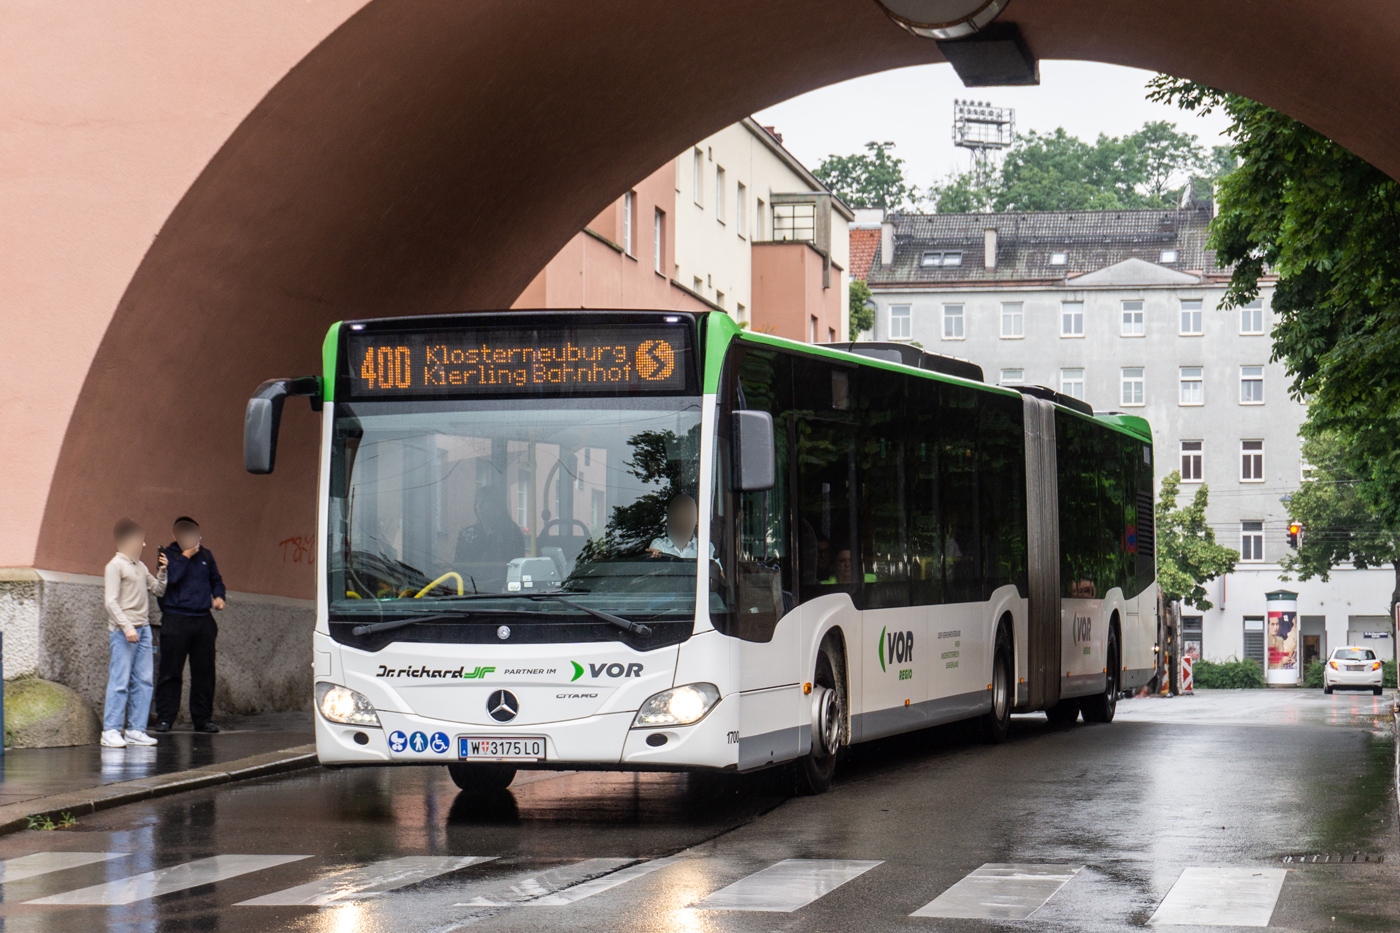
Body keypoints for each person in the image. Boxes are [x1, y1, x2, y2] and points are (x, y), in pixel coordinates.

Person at [153, 517, 226, 733]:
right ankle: (166, 718)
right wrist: (185, 556)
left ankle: (202, 719)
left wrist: (219, 596)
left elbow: (217, 580)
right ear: (176, 536)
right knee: (171, 672)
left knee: (204, 672)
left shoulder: (206, 555)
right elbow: (170, 579)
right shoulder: (168, 555)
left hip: (202, 619)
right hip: (176, 619)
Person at [101, 519, 167, 748]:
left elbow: (158, 589)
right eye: (140, 540)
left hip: (144, 628)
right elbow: (110, 601)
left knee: (145, 680)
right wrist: (126, 626)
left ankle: (136, 730)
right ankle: (110, 729)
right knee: (120, 680)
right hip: (124, 631)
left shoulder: (140, 566)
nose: (144, 544)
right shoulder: (115, 566)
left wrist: (162, 571)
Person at [456, 486, 526, 591]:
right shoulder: (467, 534)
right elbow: (458, 567)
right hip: (469, 592)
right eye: (477, 502)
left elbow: (515, 568)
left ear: (496, 505)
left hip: (503, 593)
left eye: (484, 502)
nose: (479, 506)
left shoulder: (511, 531)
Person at [647, 494, 715, 559]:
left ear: (697, 520)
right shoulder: (659, 544)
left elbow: (717, 570)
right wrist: (656, 558)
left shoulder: (706, 547)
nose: (682, 519)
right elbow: (655, 569)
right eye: (679, 514)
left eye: (688, 515)